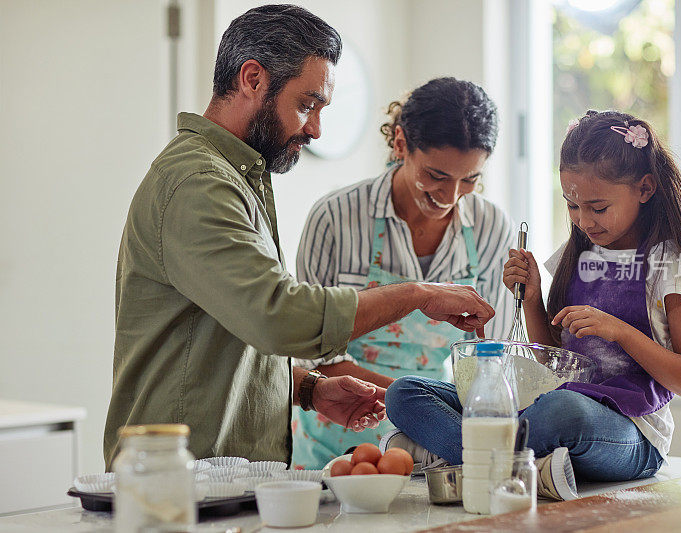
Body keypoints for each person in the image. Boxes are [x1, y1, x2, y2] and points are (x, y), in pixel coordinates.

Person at [103, 4, 495, 468]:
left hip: (222, 478)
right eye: (306, 104)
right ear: (252, 79)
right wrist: (416, 294)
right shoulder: (198, 183)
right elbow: (278, 317)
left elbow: (233, 336)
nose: (315, 128)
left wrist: (309, 389)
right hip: (176, 480)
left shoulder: (236, 177)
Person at [385, 110, 681, 500]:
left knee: (559, 411)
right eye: (572, 206)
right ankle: (521, 467)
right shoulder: (576, 255)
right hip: (547, 413)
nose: (583, 221)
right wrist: (533, 297)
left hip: (629, 432)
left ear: (645, 188)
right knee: (405, 393)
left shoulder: (673, 266)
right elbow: (553, 364)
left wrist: (621, 332)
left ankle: (460, 457)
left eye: (598, 207)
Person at [291, 78, 516, 470]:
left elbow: (490, 356)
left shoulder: (491, 226)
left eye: (470, 179)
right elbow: (313, 351)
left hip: (421, 444)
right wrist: (416, 401)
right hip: (334, 439)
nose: (450, 197)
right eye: (436, 175)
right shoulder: (335, 219)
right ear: (400, 144)